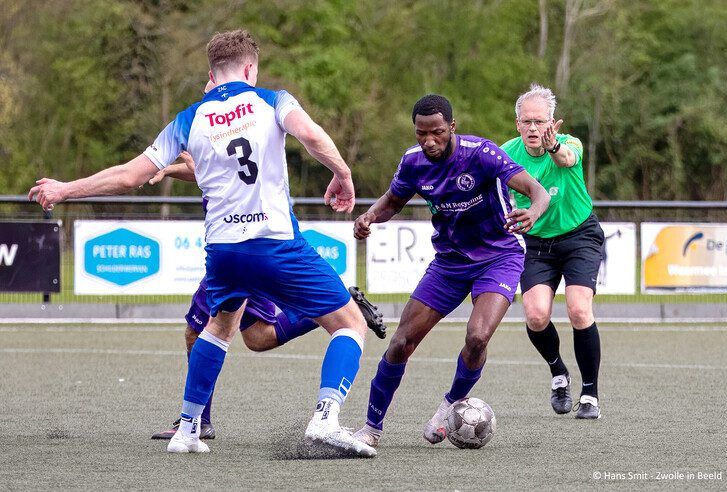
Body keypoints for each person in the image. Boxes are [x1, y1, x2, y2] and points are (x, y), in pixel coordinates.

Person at [28, 29, 377, 457]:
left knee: (219, 327)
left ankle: (189, 430)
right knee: (350, 323)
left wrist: (64, 190)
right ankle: (326, 418)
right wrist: (342, 173)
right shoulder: (273, 100)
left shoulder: (188, 118)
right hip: (274, 243)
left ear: (212, 73)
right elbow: (311, 135)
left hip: (224, 252)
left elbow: (130, 175)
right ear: (250, 68)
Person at [350, 94, 550, 448]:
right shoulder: (413, 162)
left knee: (477, 337)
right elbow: (393, 201)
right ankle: (371, 429)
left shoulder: (481, 153)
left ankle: (448, 405)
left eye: (437, 133)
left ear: (452, 128)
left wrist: (534, 210)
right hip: (449, 263)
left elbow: (537, 191)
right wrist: (369, 215)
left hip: (499, 256)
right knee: (400, 343)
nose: (429, 141)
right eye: (421, 133)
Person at [148, 151, 387, 440]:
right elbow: (210, 172)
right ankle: (342, 309)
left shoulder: (234, 123)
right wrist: (171, 170)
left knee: (199, 332)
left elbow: (222, 172)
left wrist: (342, 173)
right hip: (245, 244)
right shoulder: (235, 124)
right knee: (259, 338)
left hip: (241, 244)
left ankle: (196, 422)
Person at [501, 83, 604, 419]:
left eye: (540, 121)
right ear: (517, 124)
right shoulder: (506, 154)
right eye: (527, 121)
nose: (534, 128)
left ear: (552, 122)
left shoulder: (567, 144)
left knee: (578, 309)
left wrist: (554, 145)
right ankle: (559, 373)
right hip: (536, 244)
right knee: (535, 314)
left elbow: (567, 157)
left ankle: (590, 395)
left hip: (579, 236)